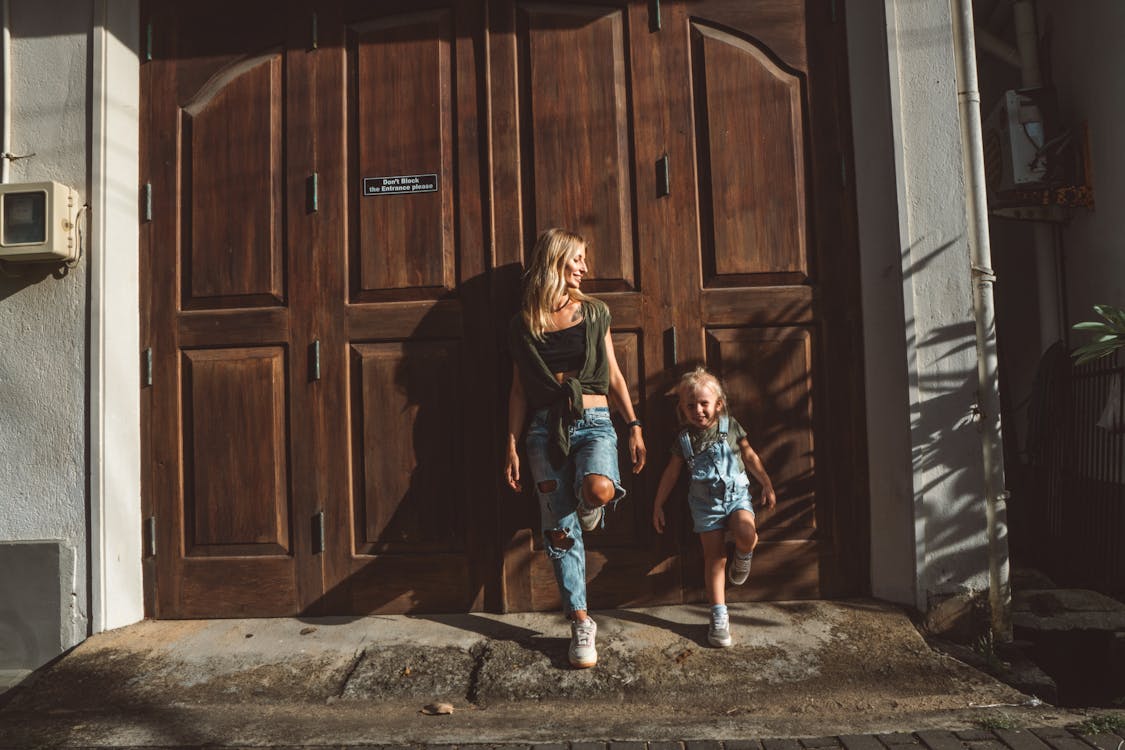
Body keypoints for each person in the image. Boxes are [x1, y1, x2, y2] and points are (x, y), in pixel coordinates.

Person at [505, 227, 646, 669]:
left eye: (584, 259)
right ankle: (580, 621)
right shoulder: (523, 323)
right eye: (578, 259)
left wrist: (635, 425)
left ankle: (590, 504)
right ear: (556, 261)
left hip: (596, 421)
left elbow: (617, 376)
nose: (585, 268)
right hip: (543, 431)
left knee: (599, 490)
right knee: (560, 530)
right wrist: (509, 443)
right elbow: (518, 391)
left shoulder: (595, 312)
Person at [651, 366, 776, 648]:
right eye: (690, 405)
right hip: (704, 506)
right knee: (714, 557)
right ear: (682, 409)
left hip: (736, 496)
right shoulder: (683, 440)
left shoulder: (730, 425)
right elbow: (671, 474)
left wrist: (766, 482)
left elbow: (749, 454)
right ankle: (719, 615)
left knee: (746, 533)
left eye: (704, 404)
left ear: (718, 405)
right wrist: (658, 504)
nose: (699, 410)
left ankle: (743, 555)